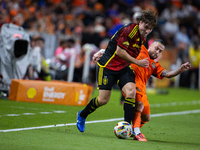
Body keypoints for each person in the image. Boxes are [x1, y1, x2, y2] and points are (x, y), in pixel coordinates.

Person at [76, 9, 158, 133]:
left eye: (150, 29)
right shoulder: (129, 31)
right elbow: (119, 51)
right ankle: (82, 114)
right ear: (140, 22)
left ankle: (127, 127)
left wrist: (104, 51)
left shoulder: (142, 38)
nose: (147, 31)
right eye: (146, 27)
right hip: (108, 66)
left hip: (123, 68)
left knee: (131, 92)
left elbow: (116, 46)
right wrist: (137, 62)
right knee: (103, 100)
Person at [93, 39, 191, 141]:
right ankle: (137, 133)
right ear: (150, 46)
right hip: (130, 84)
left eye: (160, 51)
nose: (157, 52)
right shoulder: (139, 49)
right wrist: (102, 51)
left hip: (142, 90)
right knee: (139, 104)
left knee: (146, 118)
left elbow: (167, 74)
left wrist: (180, 70)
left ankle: (130, 129)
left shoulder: (154, 65)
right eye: (156, 48)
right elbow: (120, 49)